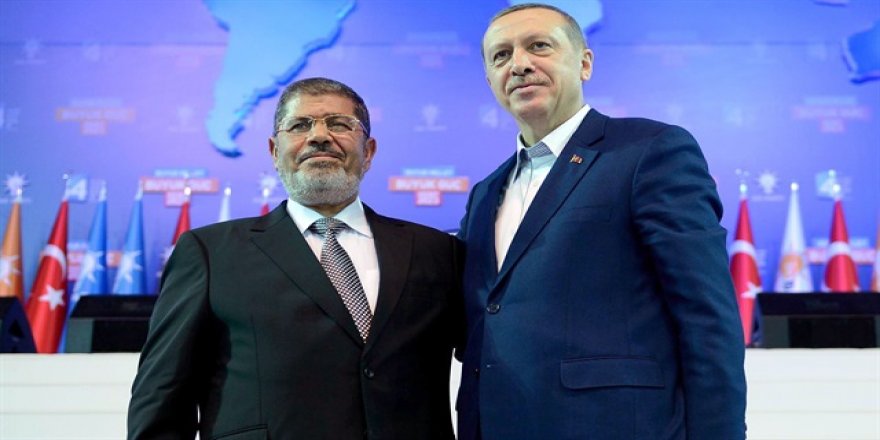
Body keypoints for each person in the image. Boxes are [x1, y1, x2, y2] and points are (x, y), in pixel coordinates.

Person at [456, 4, 747, 439]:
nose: (519, 64)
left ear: (584, 63)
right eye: (501, 55)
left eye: (539, 46)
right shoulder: (485, 192)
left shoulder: (649, 151)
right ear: (490, 80)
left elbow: (706, 314)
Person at [128, 77, 463, 439]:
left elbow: (489, 365)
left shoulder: (436, 252)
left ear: (368, 152)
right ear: (274, 151)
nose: (319, 136)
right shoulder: (210, 253)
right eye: (300, 125)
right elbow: (162, 396)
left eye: (339, 124)